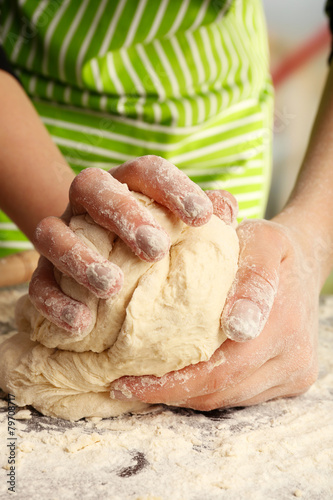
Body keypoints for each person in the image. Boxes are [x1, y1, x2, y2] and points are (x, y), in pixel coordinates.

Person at [0, 0, 332, 411]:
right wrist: (87, 241)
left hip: (215, 125)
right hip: (19, 145)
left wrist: (313, 234)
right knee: (68, 301)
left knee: (238, 316)